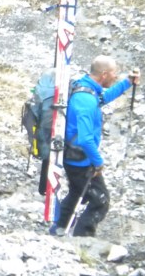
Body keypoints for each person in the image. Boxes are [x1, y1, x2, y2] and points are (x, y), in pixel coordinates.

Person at [51, 55, 139, 237]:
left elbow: (103, 98)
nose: (116, 76)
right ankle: (83, 240)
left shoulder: (86, 88)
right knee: (101, 201)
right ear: (104, 74)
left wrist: (127, 82)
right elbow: (85, 139)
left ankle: (59, 229)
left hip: (72, 155)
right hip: (80, 160)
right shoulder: (86, 101)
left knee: (76, 191)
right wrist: (98, 162)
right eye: (115, 73)